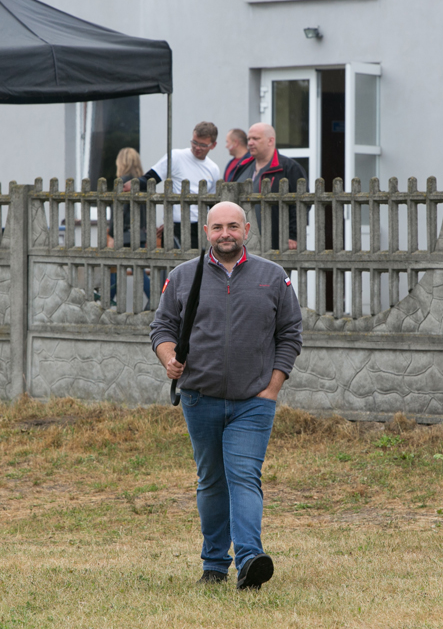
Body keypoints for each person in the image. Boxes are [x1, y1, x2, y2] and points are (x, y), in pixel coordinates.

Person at [150, 201, 303, 589]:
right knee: (212, 482)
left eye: (233, 226)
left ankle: (250, 560)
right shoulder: (184, 276)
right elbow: (162, 327)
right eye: (217, 227)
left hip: (254, 401)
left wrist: (272, 389)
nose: (225, 234)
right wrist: (169, 358)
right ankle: (214, 565)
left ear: (247, 230)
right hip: (199, 398)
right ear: (207, 232)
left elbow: (290, 334)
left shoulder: (273, 276)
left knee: (244, 477)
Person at [142, 121, 220, 249]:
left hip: (200, 227)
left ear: (213, 145)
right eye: (194, 142)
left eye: (203, 145)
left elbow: (212, 204)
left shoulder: (213, 169)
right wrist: (132, 185)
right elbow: (150, 178)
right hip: (175, 225)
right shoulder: (176, 156)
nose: (197, 147)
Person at [230, 123, 306, 251]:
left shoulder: (289, 168)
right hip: (243, 243)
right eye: (249, 139)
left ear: (270, 141)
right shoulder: (242, 167)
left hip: (276, 243)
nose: (250, 143)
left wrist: (293, 235)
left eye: (255, 138)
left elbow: (300, 204)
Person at [106, 147, 150, 306]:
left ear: (122, 162)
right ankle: (155, 300)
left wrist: (112, 234)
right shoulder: (142, 183)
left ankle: (106, 302)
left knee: (116, 269)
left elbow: (119, 211)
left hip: (124, 234)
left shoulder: (123, 182)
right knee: (138, 270)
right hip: (140, 234)